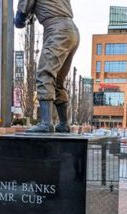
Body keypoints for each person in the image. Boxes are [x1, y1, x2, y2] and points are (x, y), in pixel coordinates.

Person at [15, 0, 79, 133]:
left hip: (57, 30)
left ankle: (46, 123)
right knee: (57, 81)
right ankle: (63, 123)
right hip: (72, 30)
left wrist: (18, 19)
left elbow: (23, 12)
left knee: (45, 74)